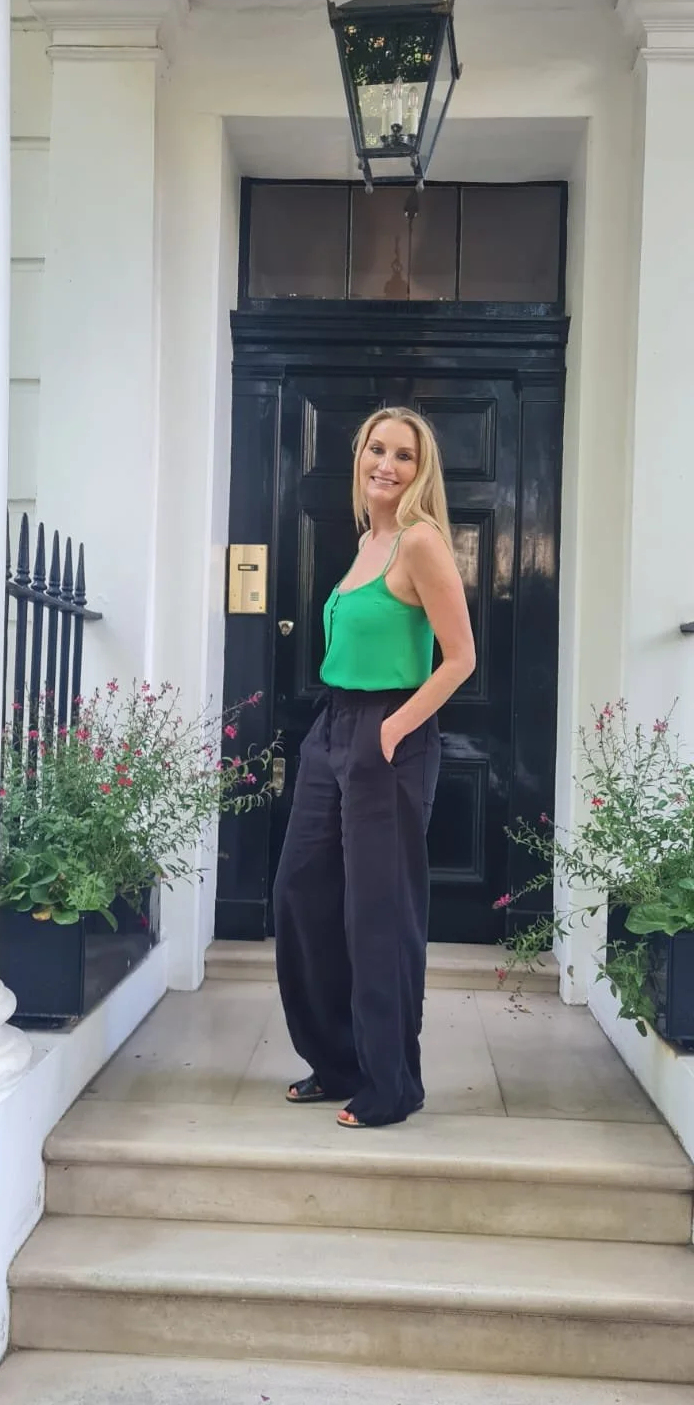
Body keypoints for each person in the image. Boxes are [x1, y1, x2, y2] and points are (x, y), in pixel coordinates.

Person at [273, 407, 476, 1128]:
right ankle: (337, 1063)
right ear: (359, 455)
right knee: (303, 895)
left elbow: (460, 660)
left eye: (405, 456)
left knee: (378, 916)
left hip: (389, 732)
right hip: (332, 729)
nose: (387, 464)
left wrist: (391, 728)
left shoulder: (420, 543)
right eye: (377, 449)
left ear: (422, 473)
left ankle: (392, 1084)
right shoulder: (368, 542)